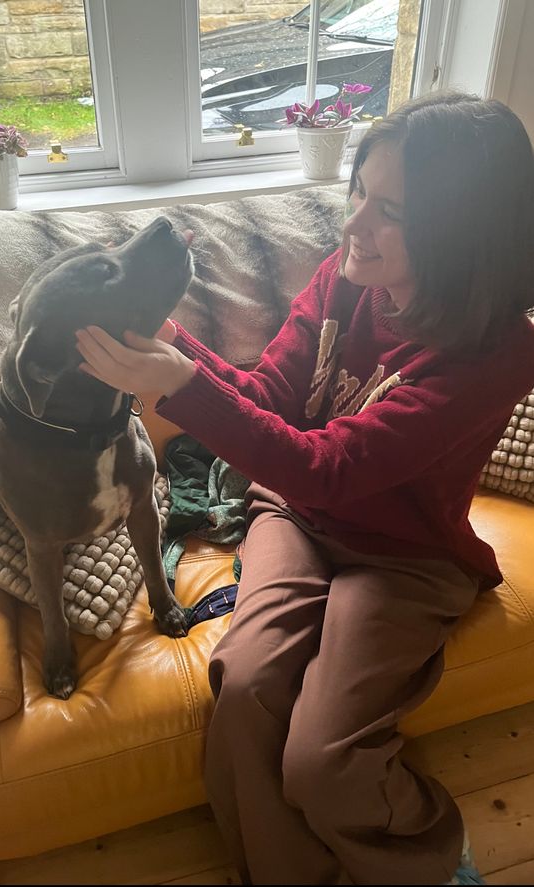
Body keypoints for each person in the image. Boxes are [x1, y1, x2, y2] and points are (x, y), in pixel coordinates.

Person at [75, 91, 534, 885]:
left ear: (463, 232)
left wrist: (182, 383)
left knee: (323, 759)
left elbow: (332, 464)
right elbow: (269, 404)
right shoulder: (344, 276)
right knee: (245, 685)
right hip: (293, 511)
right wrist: (177, 349)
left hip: (404, 555)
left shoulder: (495, 355)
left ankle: (426, 860)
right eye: (358, 191)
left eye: (389, 209)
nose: (353, 225)